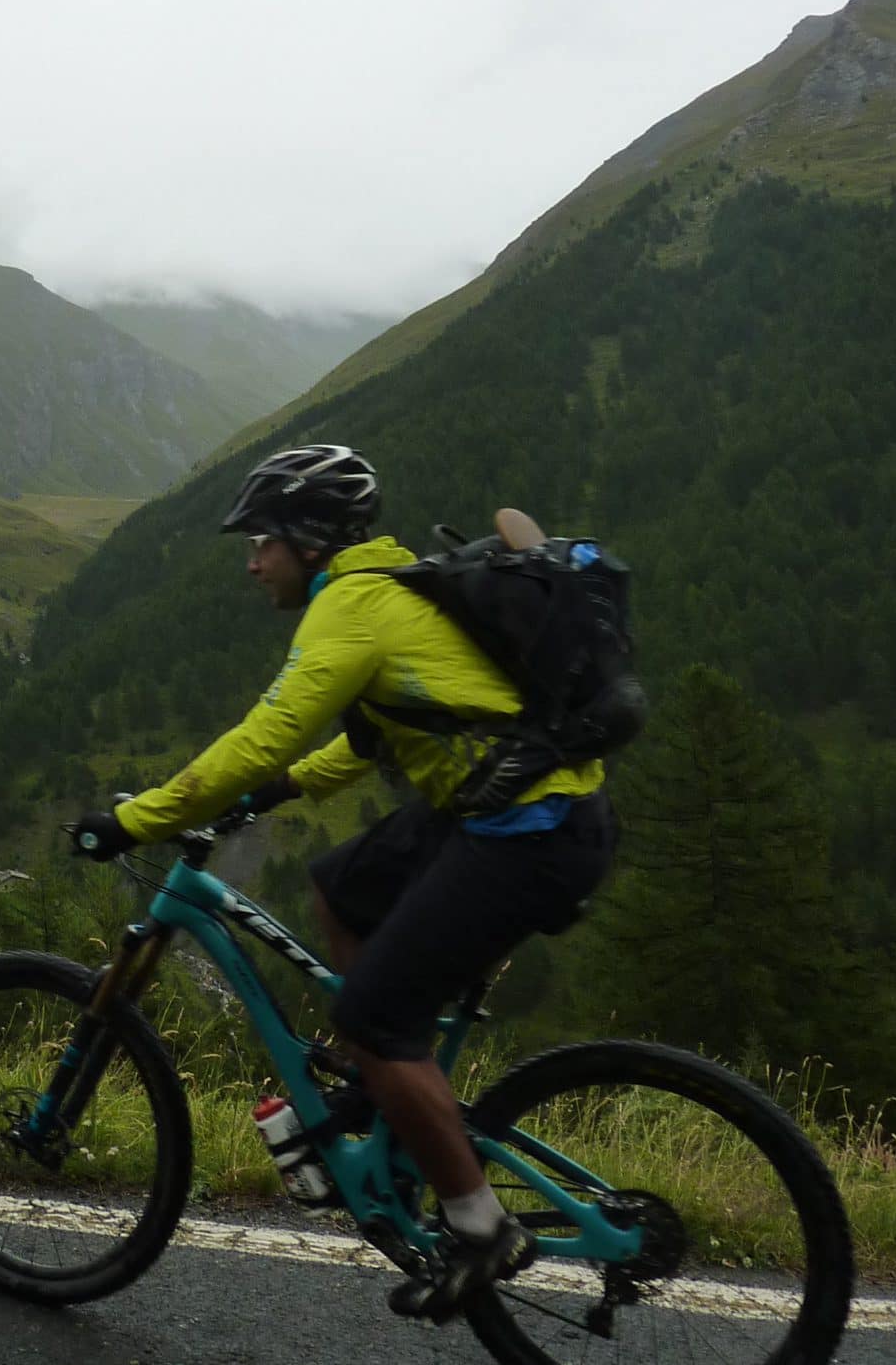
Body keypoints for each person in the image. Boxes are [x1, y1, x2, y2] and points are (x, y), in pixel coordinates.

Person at [68, 442, 617, 1320]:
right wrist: (277, 794)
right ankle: (391, 1088)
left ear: (309, 540)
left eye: (262, 543)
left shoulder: (352, 608)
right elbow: (370, 737)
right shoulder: (388, 585)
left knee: (372, 1017)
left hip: (529, 831)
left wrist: (137, 820)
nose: (251, 563)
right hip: (504, 807)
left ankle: (480, 1227)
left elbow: (263, 734)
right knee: (340, 887)